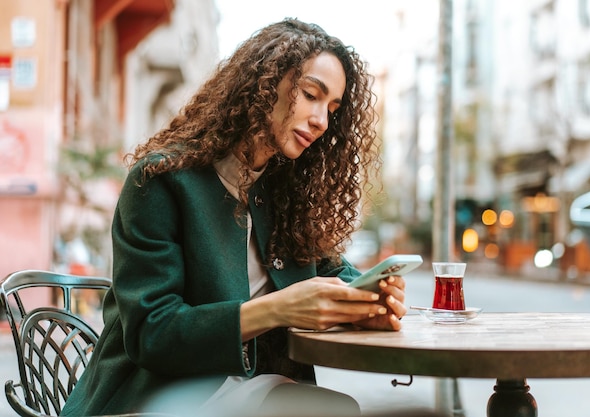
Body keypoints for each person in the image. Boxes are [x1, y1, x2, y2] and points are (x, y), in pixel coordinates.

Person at [61, 18, 407, 417]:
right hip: (152, 398)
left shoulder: (287, 196)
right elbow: (152, 333)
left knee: (332, 408)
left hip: (250, 389)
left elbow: (335, 276)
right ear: (265, 82)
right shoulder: (161, 182)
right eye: (311, 94)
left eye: (332, 109)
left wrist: (369, 299)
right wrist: (279, 307)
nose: (321, 121)